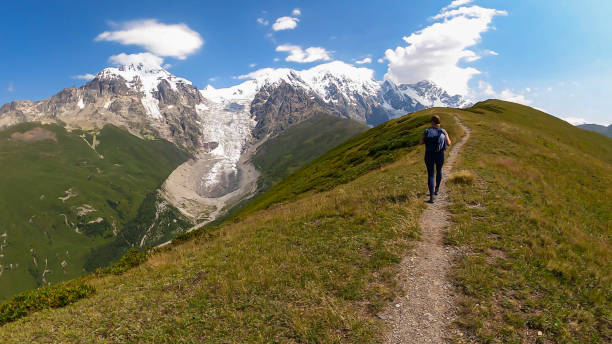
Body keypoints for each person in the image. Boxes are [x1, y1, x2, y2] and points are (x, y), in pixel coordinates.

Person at [419, 115, 451, 203]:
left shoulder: (426, 131)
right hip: (439, 154)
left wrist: (426, 141)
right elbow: (449, 143)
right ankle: (437, 189)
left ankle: (431, 196)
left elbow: (420, 142)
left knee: (431, 174)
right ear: (439, 122)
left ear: (432, 122)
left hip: (429, 155)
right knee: (439, 170)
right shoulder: (443, 131)